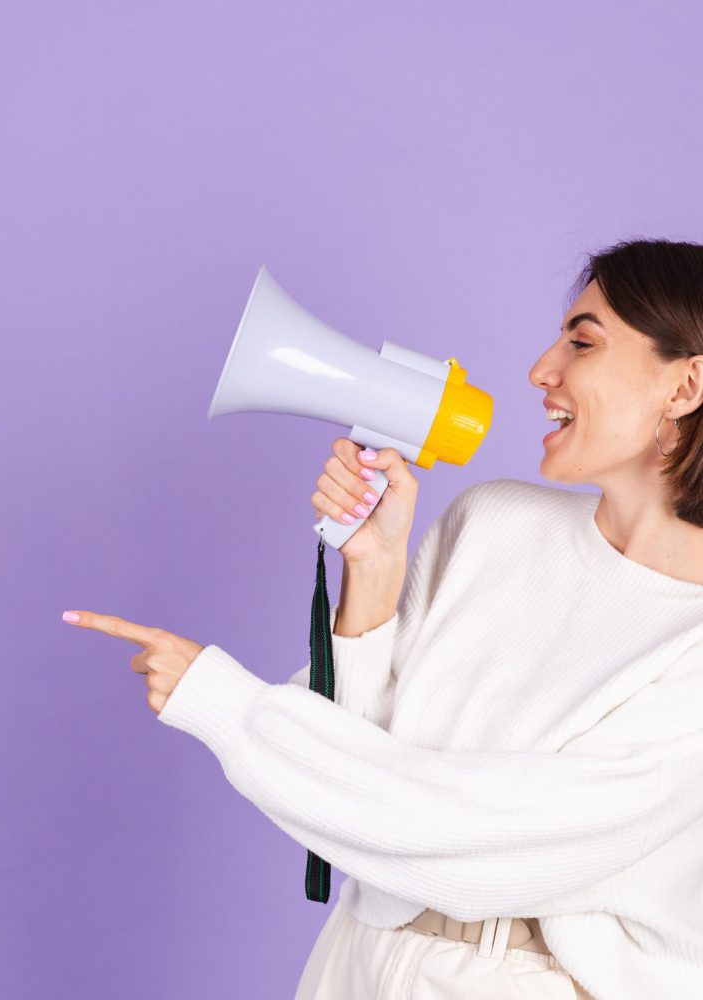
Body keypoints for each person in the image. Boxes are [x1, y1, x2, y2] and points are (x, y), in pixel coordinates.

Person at [64, 238, 703, 998]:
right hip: (358, 960)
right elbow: (344, 766)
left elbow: (479, 849)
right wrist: (372, 573)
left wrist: (224, 705)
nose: (542, 369)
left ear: (687, 383)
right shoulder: (491, 521)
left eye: (582, 341)